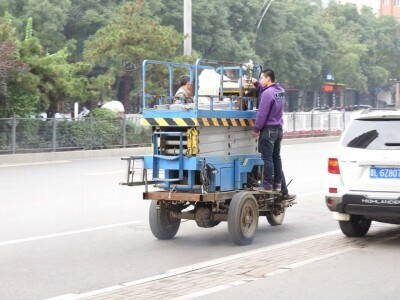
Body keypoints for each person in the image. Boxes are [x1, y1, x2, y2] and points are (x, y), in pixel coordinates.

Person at [251, 69, 285, 192]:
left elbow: (262, 113)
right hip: (278, 130)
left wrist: (256, 129)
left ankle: (267, 185)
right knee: (276, 157)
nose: (260, 80)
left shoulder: (267, 94)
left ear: (268, 79)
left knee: (267, 158)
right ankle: (277, 184)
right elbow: (269, 94)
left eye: (261, 78)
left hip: (268, 130)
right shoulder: (280, 91)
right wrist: (257, 85)